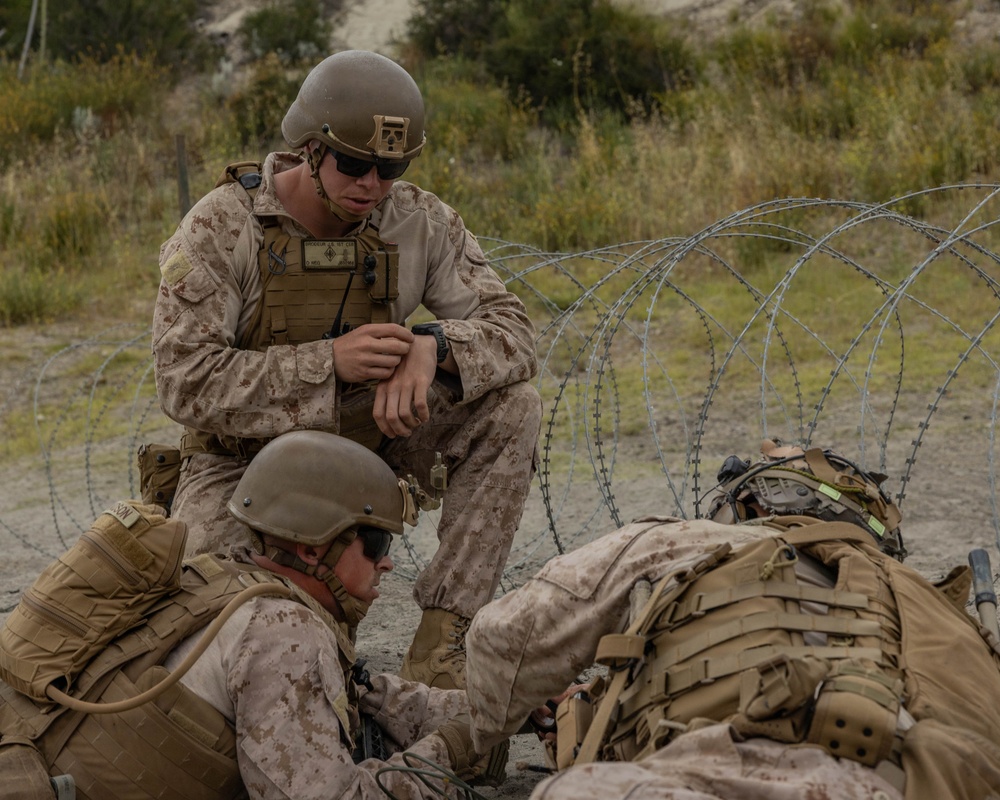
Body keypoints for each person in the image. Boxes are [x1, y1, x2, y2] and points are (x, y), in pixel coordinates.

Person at [151, 49, 542, 691]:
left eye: (392, 168)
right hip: (242, 464)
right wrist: (328, 363)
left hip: (373, 442)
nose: (372, 185)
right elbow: (184, 381)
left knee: (513, 406)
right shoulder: (223, 228)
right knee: (220, 644)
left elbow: (516, 331)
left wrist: (432, 346)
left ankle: (445, 643)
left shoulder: (418, 221)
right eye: (355, 165)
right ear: (309, 150)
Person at [464, 439, 1000, 799]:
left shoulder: (696, 540)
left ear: (751, 504)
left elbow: (502, 643)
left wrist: (481, 737)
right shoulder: (950, 617)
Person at [0, 430, 507, 800]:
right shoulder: (282, 633)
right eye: (376, 543)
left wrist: (504, 706)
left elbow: (363, 699)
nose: (388, 561)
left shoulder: (220, 577)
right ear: (314, 550)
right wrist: (449, 751)